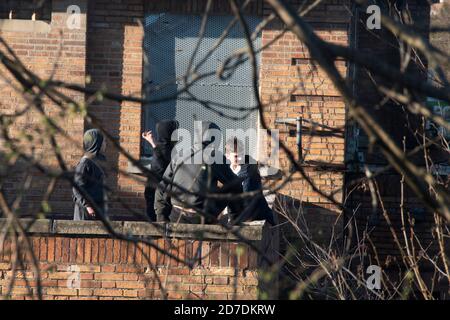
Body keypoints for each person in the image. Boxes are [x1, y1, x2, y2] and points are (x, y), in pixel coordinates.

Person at [154, 121, 243, 224]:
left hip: (176, 214)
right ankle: (234, 222)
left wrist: (161, 217)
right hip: (201, 217)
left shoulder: (180, 155)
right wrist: (234, 215)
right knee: (232, 186)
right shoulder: (214, 156)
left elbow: (162, 187)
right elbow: (236, 184)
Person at [224, 137, 275, 225]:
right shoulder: (227, 168)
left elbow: (246, 197)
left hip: (256, 213)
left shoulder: (249, 170)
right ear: (227, 156)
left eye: (242, 154)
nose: (240, 158)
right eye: (236, 156)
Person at [141, 120, 179, 221]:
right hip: (160, 194)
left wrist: (152, 142)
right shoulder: (170, 150)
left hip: (154, 192)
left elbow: (160, 155)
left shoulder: (163, 148)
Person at [72, 129, 108, 221]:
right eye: (103, 142)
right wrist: (87, 206)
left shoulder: (96, 162)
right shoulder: (85, 163)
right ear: (96, 142)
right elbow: (77, 187)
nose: (105, 145)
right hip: (86, 213)